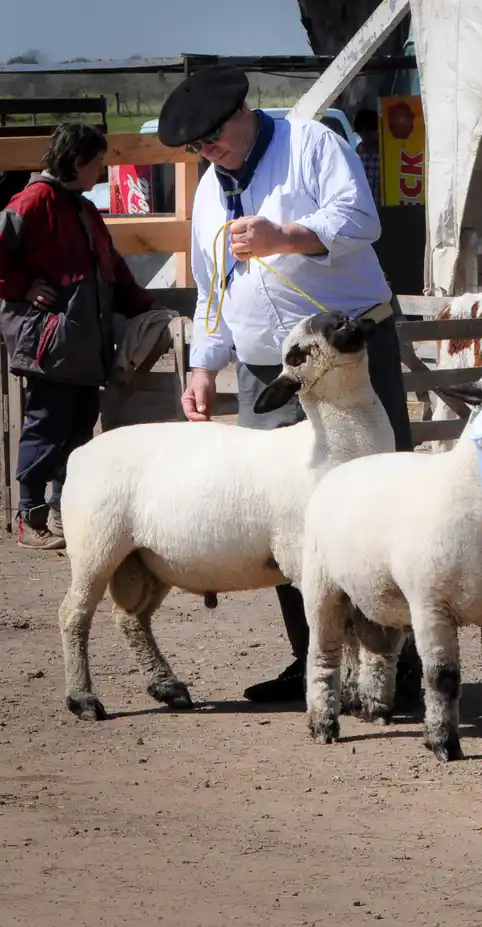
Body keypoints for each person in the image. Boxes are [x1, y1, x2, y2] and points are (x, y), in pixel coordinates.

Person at [156, 65, 417, 704]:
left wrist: (286, 237)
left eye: (212, 138)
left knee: (375, 496)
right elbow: (213, 287)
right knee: (286, 513)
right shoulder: (212, 191)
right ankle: (314, 661)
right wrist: (203, 363)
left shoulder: (311, 144)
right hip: (264, 366)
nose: (207, 152)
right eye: (196, 148)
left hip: (348, 352)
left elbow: (360, 220)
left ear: (243, 113)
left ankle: (396, 664)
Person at [0, 122, 157, 550]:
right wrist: (21, 287)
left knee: (78, 430)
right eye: (98, 163)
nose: (101, 173)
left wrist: (146, 306)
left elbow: (114, 270)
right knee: (47, 426)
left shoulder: (82, 209)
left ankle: (61, 512)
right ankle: (28, 516)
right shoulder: (34, 201)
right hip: (53, 342)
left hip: (82, 343)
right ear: (77, 162)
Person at [353, 108, 381, 201]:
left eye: (367, 131)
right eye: (361, 132)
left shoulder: (386, 153)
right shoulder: (358, 151)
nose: (364, 136)